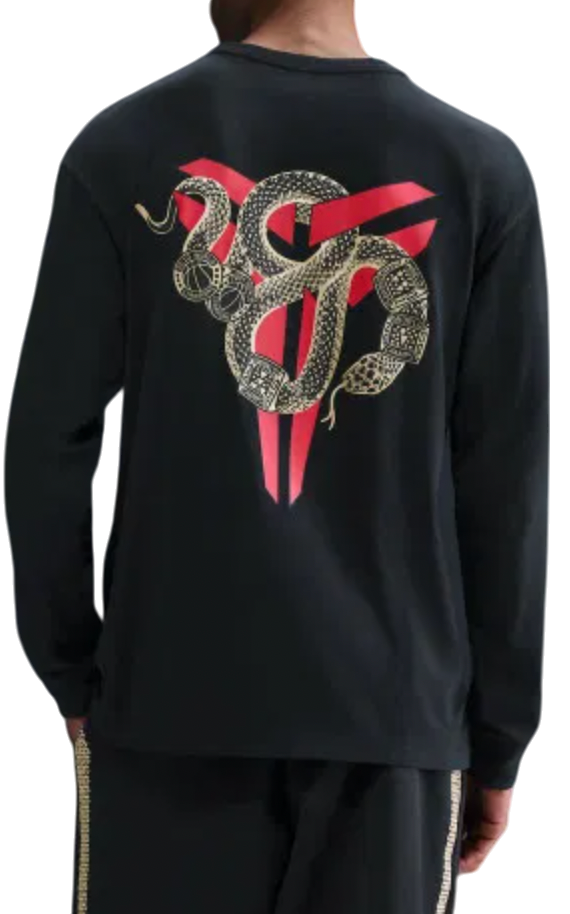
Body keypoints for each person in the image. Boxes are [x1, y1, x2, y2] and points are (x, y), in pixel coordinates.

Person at [3, 1, 549, 912]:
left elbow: (47, 447)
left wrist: (69, 666)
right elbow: (508, 484)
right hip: (395, 721)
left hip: (165, 706)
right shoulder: (481, 167)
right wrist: (501, 735)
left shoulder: (122, 145)